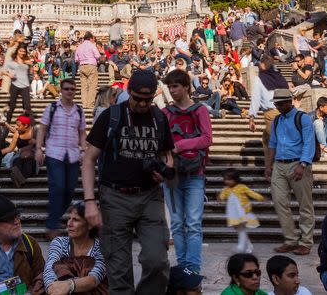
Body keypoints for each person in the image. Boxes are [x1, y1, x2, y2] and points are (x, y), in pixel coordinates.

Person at [82, 70, 174, 293]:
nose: (143, 104)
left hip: (150, 196)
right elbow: (88, 159)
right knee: (119, 269)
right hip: (115, 197)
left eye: (148, 99)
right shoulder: (111, 116)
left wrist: (165, 170)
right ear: (128, 92)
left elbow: (168, 155)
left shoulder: (159, 118)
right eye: (137, 98)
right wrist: (90, 201)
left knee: (157, 261)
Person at [161, 69, 212, 278]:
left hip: (194, 173)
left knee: (193, 222)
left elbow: (207, 138)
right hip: (172, 175)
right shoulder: (165, 112)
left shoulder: (200, 110)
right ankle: (183, 266)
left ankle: (193, 266)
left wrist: (180, 145)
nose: (172, 90)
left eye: (176, 86)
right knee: (176, 223)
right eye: (170, 86)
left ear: (185, 87)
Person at [265, 88, 315, 256]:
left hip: (298, 163)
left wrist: (303, 164)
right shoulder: (277, 120)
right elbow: (272, 143)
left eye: (280, 104)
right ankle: (290, 239)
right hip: (279, 164)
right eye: (276, 104)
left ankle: (306, 241)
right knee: (280, 202)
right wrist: (268, 165)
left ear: (289, 101)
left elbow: (309, 142)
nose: (278, 107)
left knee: (305, 205)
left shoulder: (303, 118)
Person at [36, 78, 86, 239]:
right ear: (61, 90)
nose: (70, 91)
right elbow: (42, 128)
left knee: (69, 190)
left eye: (72, 89)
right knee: (57, 187)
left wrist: (84, 150)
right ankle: (52, 224)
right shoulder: (51, 108)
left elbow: (82, 132)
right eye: (66, 89)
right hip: (54, 153)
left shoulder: (79, 110)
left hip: (72, 154)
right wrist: (38, 149)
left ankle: (54, 215)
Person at [42, 201, 107, 294]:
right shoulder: (60, 242)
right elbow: (49, 268)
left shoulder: (100, 247)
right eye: (69, 218)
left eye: (76, 220)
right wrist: (53, 289)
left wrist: (69, 285)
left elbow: (95, 278)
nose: (69, 224)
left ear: (89, 225)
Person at [247, 56, 289, 175]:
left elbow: (255, 97)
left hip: (271, 113)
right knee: (268, 138)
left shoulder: (260, 78)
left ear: (263, 66)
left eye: (260, 65)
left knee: (271, 142)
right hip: (284, 112)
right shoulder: (280, 78)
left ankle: (271, 169)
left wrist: (251, 117)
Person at [219, 169, 265, 254]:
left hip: (243, 212)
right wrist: (220, 197)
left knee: (241, 229)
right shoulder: (226, 189)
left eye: (229, 179)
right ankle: (249, 245)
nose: (227, 181)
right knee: (240, 230)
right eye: (225, 179)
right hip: (233, 213)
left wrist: (260, 197)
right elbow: (222, 197)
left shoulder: (242, 187)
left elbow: (251, 193)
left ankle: (240, 247)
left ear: (236, 179)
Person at [4, 44, 32, 123]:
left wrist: (31, 65)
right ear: (17, 52)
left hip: (25, 85)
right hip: (15, 84)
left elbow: (30, 73)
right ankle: (7, 122)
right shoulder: (12, 61)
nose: (22, 53)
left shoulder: (27, 60)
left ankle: (30, 125)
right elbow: (4, 69)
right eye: (20, 51)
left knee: (27, 106)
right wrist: (9, 74)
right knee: (12, 106)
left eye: (24, 51)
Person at [75, 32, 100, 111]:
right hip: (91, 65)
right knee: (92, 86)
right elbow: (98, 56)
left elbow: (76, 59)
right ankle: (90, 104)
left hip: (82, 66)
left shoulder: (79, 46)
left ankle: (84, 104)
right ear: (91, 38)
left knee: (84, 86)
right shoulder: (92, 45)